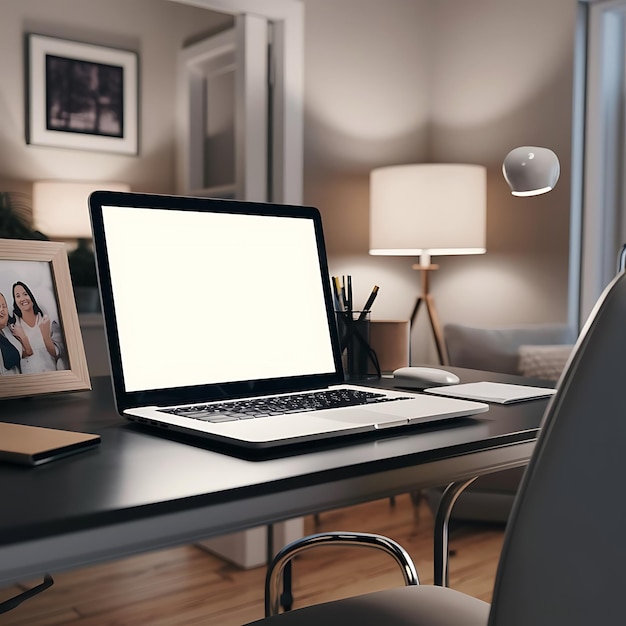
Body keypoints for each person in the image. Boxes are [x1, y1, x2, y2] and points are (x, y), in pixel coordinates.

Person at [9, 281, 65, 374]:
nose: (22, 298)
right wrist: (23, 338)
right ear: (15, 301)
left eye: (25, 294)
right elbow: (18, 355)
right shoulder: (14, 328)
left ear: (32, 296)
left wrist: (46, 336)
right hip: (30, 381)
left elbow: (58, 353)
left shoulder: (48, 321)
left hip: (51, 377)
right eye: (18, 296)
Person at [0, 292, 24, 375]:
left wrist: (23, 338)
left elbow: (26, 353)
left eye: (4, 306)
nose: (1, 309)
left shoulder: (9, 331)